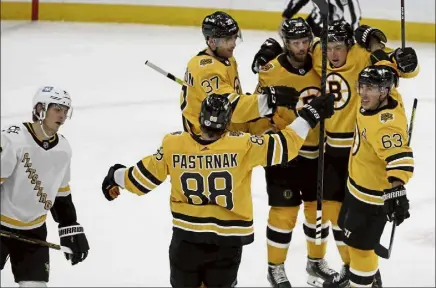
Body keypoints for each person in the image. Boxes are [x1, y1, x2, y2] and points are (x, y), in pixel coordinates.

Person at [101, 91, 335, 287]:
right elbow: (287, 145)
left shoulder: (174, 145)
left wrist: (116, 175)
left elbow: (140, 179)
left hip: (186, 242)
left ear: (201, 118)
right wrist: (310, 115)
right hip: (227, 243)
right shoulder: (241, 144)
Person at [251, 20, 419, 287]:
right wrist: (271, 52)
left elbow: (397, 70)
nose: (333, 54)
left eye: (339, 47)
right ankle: (347, 266)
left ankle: (359, 268)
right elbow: (291, 56)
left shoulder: (361, 56)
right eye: (329, 47)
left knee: (347, 215)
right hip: (321, 150)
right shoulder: (315, 52)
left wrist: (391, 51)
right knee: (327, 210)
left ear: (349, 46)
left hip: (353, 151)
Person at [247, 18, 337, 287]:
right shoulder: (270, 70)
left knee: (317, 211)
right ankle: (275, 268)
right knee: (283, 212)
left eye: (304, 41)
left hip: (316, 152)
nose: (301, 47)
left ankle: (316, 263)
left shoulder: (323, 66)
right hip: (283, 152)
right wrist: (261, 137)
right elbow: (258, 108)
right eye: (295, 42)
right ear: (285, 44)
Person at [333, 65, 413, 287]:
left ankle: (363, 282)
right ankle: (368, 278)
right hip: (356, 188)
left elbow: (400, 158)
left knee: (361, 248)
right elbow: (387, 66)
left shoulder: (386, 125)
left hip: (371, 199)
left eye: (371, 88)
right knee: (349, 236)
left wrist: (396, 190)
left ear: (385, 91)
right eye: (362, 86)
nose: (364, 93)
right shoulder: (383, 97)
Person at [1, 86, 90, 287]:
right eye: (57, 108)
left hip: (34, 231)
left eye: (66, 110)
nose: (62, 115)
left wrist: (69, 226)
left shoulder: (64, 149)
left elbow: (61, 192)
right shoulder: (12, 139)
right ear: (40, 108)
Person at [181, 10, 301, 136]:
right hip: (208, 136)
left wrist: (279, 58)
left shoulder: (226, 58)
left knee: (276, 122)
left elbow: (237, 107)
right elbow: (231, 108)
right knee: (271, 140)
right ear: (212, 42)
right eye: (228, 39)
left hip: (226, 122)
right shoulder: (206, 69)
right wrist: (270, 100)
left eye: (234, 37)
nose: (233, 44)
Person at [282, 0, 362, 37]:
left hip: (334, 32)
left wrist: (350, 40)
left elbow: (352, 19)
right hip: (313, 23)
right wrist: (285, 18)